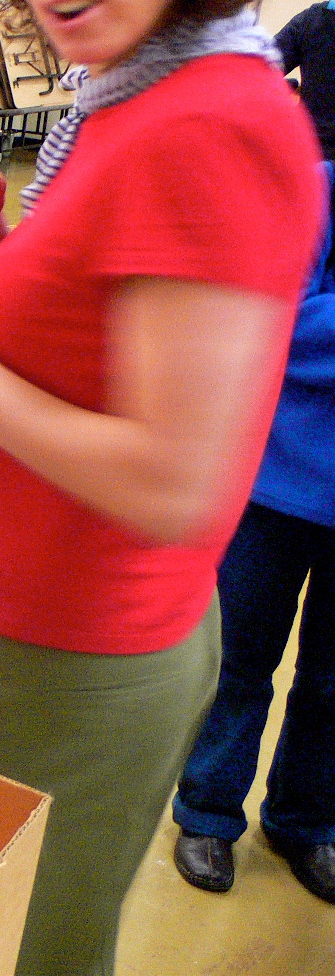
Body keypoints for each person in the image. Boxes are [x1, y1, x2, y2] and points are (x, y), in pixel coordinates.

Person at [0, 0, 325, 972]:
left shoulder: (211, 125)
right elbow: (93, 336)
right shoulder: (128, 91)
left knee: (12, 952)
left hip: (74, 658)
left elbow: (174, 483)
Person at [170, 161, 334, 904]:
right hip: (272, 483)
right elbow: (276, 318)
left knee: (332, 680)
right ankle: (207, 810)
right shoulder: (313, 193)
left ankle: (306, 821)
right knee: (238, 658)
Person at [275, 0, 335, 159]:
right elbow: (258, 74)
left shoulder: (312, 19)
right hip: (311, 153)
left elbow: (257, 75)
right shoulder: (313, 19)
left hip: (311, 155)